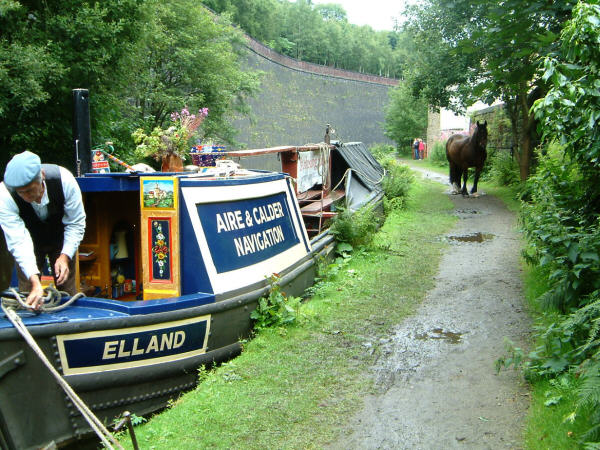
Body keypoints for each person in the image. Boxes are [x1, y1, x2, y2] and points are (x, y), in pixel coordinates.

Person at [0, 151, 86, 310]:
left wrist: (65, 256)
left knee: (67, 289)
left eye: (30, 190)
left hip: (61, 237)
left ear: (42, 176)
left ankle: (70, 326)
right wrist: (35, 281)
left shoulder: (64, 180)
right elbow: (18, 241)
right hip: (29, 239)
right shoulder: (5, 196)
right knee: (28, 292)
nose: (26, 197)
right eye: (21, 192)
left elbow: (75, 223)